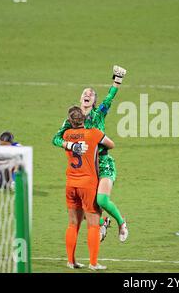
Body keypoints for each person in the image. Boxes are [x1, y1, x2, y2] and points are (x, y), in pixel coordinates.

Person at [52, 65, 128, 242]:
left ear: (93, 101)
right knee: (83, 206)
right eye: (84, 93)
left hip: (103, 162)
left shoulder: (98, 115)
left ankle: (121, 222)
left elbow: (109, 99)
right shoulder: (71, 120)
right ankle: (103, 222)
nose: (87, 95)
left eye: (91, 94)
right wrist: (71, 146)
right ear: (80, 98)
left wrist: (117, 80)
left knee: (101, 200)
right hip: (86, 167)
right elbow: (55, 139)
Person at [63, 106, 115, 271]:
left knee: (73, 224)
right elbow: (111, 144)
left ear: (70, 121)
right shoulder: (93, 133)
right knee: (93, 225)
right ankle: (93, 263)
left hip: (71, 183)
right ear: (84, 119)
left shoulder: (66, 135)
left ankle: (71, 261)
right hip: (88, 184)